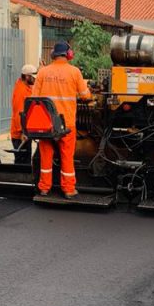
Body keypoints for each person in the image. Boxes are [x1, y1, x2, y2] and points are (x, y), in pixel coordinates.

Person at [31, 40, 91, 197]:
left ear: (53, 55)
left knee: (45, 157)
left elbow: (33, 97)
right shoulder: (75, 72)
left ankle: (44, 187)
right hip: (66, 124)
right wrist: (88, 93)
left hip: (45, 123)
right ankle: (68, 189)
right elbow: (85, 95)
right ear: (68, 54)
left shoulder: (43, 72)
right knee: (66, 156)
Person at [10, 64, 37, 164]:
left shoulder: (26, 87)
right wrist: (22, 131)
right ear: (27, 77)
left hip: (25, 131)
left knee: (26, 160)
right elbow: (18, 113)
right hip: (20, 134)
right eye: (33, 77)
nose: (34, 80)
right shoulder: (21, 91)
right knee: (22, 162)